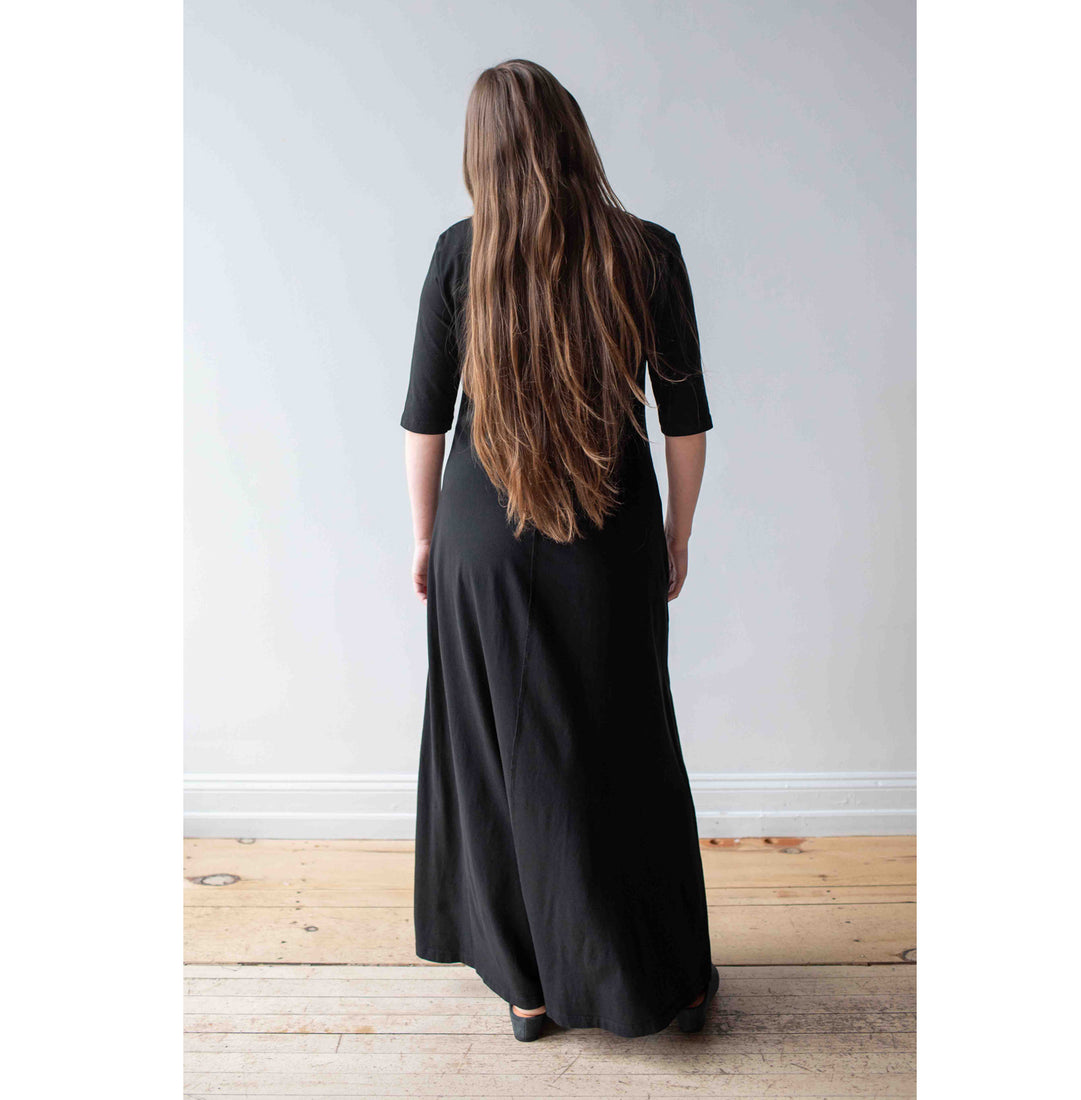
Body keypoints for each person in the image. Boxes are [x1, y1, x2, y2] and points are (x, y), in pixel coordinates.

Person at [400, 59, 719, 1042]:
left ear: (479, 152)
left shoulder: (460, 252)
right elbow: (685, 422)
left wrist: (425, 536)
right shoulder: (646, 251)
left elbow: (424, 419)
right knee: (625, 746)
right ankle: (655, 978)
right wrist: (676, 533)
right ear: (574, 134)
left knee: (493, 754)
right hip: (606, 528)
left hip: (478, 536)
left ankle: (527, 990)